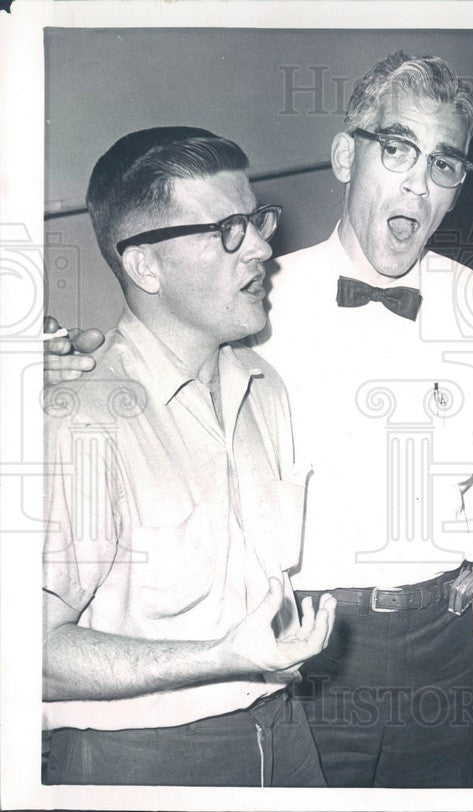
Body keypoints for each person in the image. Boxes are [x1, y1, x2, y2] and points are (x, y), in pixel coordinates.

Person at [42, 126, 335, 786]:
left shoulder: (266, 388)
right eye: (228, 228)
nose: (262, 246)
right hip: (141, 758)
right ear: (146, 264)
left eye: (257, 219)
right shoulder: (80, 416)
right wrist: (217, 656)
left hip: (283, 731)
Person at [246, 52, 473, 787]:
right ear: (344, 155)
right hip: (309, 647)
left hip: (445, 647)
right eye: (397, 151)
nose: (419, 185)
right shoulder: (254, 301)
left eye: (444, 165)